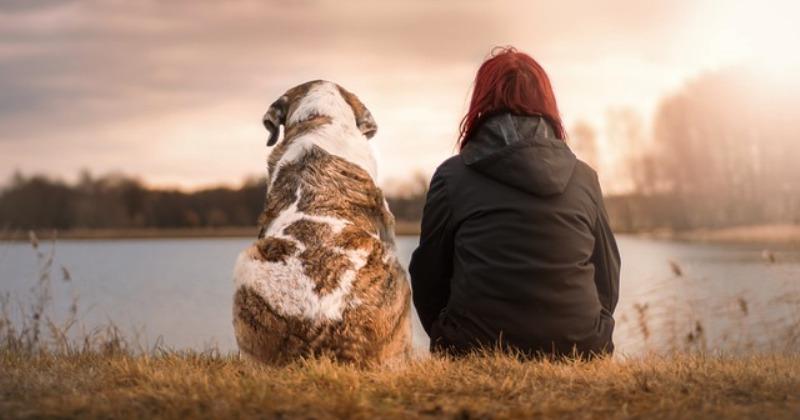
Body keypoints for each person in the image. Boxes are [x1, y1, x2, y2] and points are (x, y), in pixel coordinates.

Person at [409, 47, 620, 358]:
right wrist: (591, 331)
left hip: (473, 347)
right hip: (581, 347)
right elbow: (608, 275)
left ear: (481, 102)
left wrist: (447, 335)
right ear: (547, 103)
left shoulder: (452, 177)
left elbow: (428, 276)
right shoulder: (584, 177)